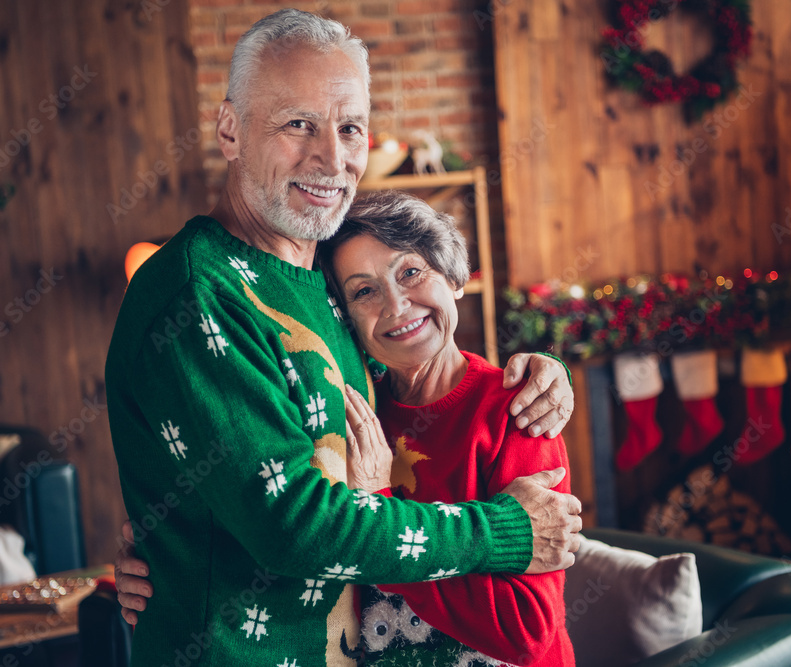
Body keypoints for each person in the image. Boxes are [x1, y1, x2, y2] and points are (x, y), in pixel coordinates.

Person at [106, 9, 580, 666]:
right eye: (298, 124)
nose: (331, 157)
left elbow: (411, 368)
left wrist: (541, 371)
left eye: (350, 127)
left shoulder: (319, 278)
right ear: (230, 129)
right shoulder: (197, 292)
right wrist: (505, 530)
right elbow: (296, 526)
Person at [119, 191, 577, 666]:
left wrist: (380, 513)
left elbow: (525, 630)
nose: (397, 306)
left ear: (455, 278)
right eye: (364, 291)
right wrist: (168, 555)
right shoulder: (353, 409)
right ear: (343, 321)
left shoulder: (520, 409)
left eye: (411, 272)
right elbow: (272, 511)